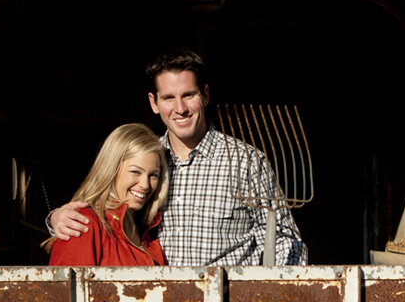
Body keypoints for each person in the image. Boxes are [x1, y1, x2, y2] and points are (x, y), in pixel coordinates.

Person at [49, 50, 308, 266]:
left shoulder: (246, 162)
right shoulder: (148, 160)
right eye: (168, 98)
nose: (180, 109)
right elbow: (107, 209)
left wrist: (277, 294)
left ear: (205, 95)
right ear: (154, 103)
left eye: (188, 95)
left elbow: (284, 240)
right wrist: (56, 219)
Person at [47, 123, 168, 267]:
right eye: (135, 172)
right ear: (111, 169)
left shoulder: (148, 231)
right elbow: (67, 282)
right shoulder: (82, 224)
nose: (145, 184)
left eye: (154, 175)